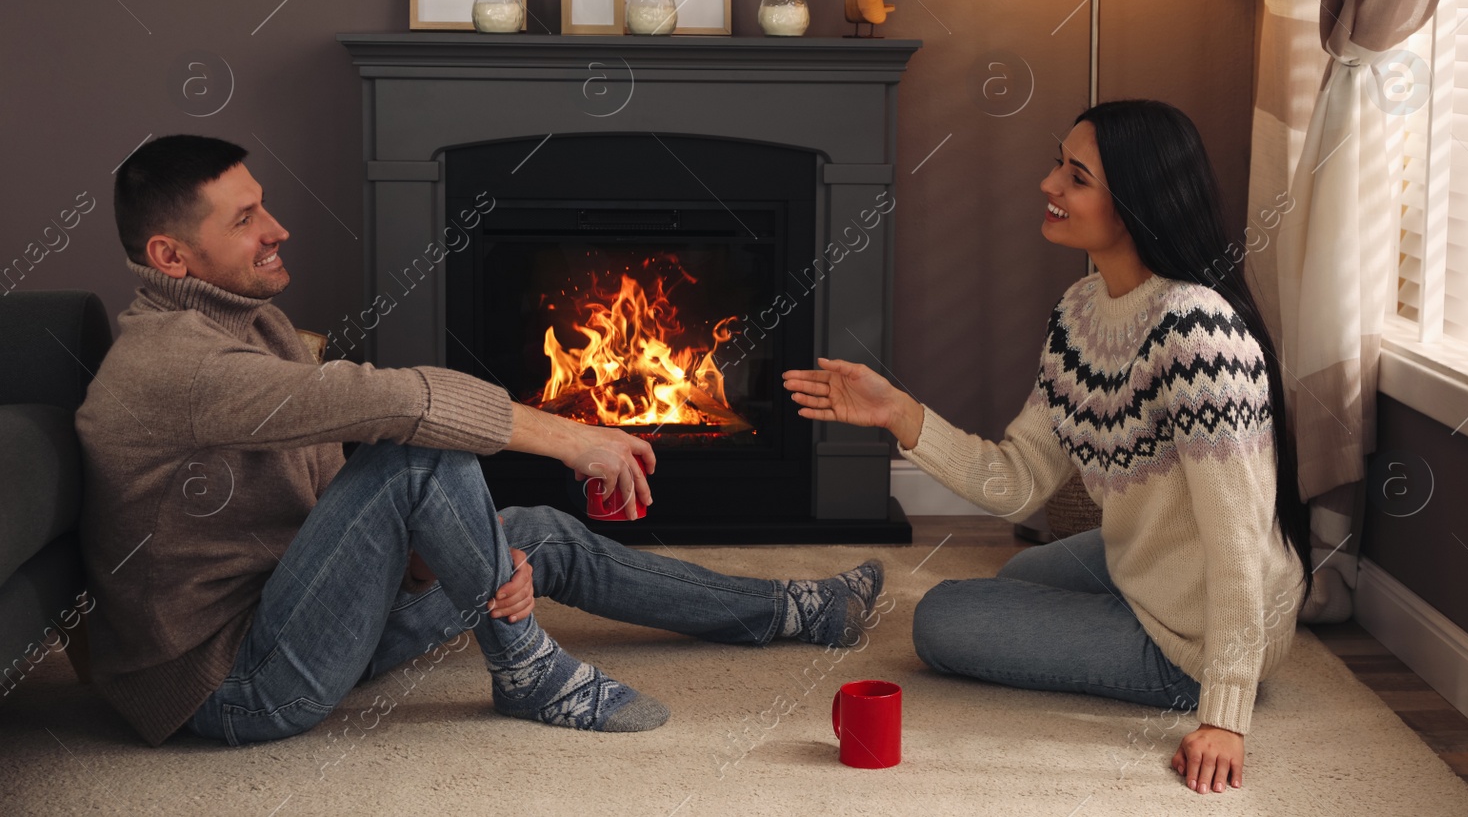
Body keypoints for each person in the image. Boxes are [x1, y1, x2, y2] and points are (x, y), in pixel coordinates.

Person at [77, 134, 882, 748]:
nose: (278, 227)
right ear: (169, 255)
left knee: (533, 535)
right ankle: (528, 667)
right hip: (234, 685)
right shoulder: (173, 363)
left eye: (265, 204)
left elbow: (326, 523)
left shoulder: (257, 325)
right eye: (245, 218)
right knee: (416, 449)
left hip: (295, 616)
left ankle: (789, 610)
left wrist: (452, 558)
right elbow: (393, 401)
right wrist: (572, 438)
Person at [784, 100, 1312, 796]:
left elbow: (1238, 536)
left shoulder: (1196, 333)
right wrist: (901, 415)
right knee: (1019, 576)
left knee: (944, 618)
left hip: (1196, 633)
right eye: (1056, 165)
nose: (1049, 185)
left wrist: (1225, 712)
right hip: (1148, 568)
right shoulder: (1082, 311)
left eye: (1076, 175)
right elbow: (1021, 480)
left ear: (1131, 203)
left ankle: (1193, 671)